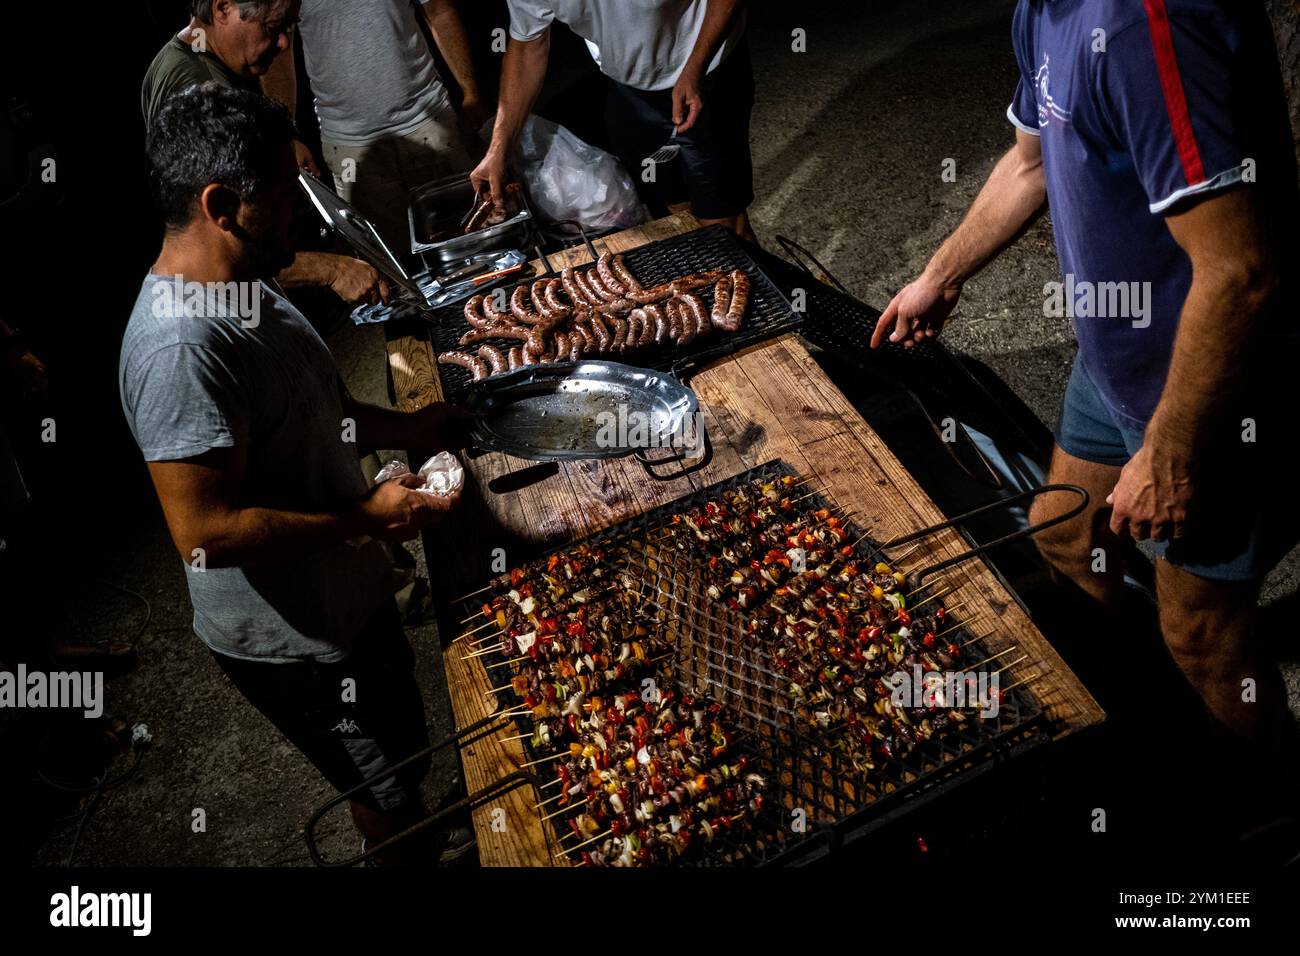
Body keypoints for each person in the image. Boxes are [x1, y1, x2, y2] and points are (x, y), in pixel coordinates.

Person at [872, 1, 1300, 758]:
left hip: (1210, 390)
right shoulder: (1043, 10)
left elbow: (1243, 272)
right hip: (1116, 363)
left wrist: (1169, 456)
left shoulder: (1146, 24)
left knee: (1203, 637)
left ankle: (1274, 800)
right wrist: (939, 275)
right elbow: (1028, 161)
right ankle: (1154, 716)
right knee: (1067, 536)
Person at [122, 83, 474, 864]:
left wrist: (407, 428)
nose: (301, 217)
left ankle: (413, 813)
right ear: (221, 204)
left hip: (345, 591)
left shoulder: (249, 286)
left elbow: (316, 407)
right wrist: (367, 519)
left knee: (403, 749)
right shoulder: (179, 350)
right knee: (379, 792)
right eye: (283, 197)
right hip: (297, 642)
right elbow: (204, 536)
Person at [143, 0, 389, 308]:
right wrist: (332, 270)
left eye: (288, 27)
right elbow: (221, 244)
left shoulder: (205, 59)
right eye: (273, 27)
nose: (285, 42)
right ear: (222, 8)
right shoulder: (196, 87)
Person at [473, 0, 755, 240]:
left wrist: (694, 68)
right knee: (674, 205)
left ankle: (760, 291)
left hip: (707, 70)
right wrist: (499, 149)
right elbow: (526, 47)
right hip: (628, 86)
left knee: (723, 221)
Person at [262, 0, 485, 251]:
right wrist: (288, 133)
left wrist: (471, 93)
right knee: (389, 266)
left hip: (428, 119)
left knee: (472, 240)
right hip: (349, 144)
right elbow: (279, 50)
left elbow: (439, 11)